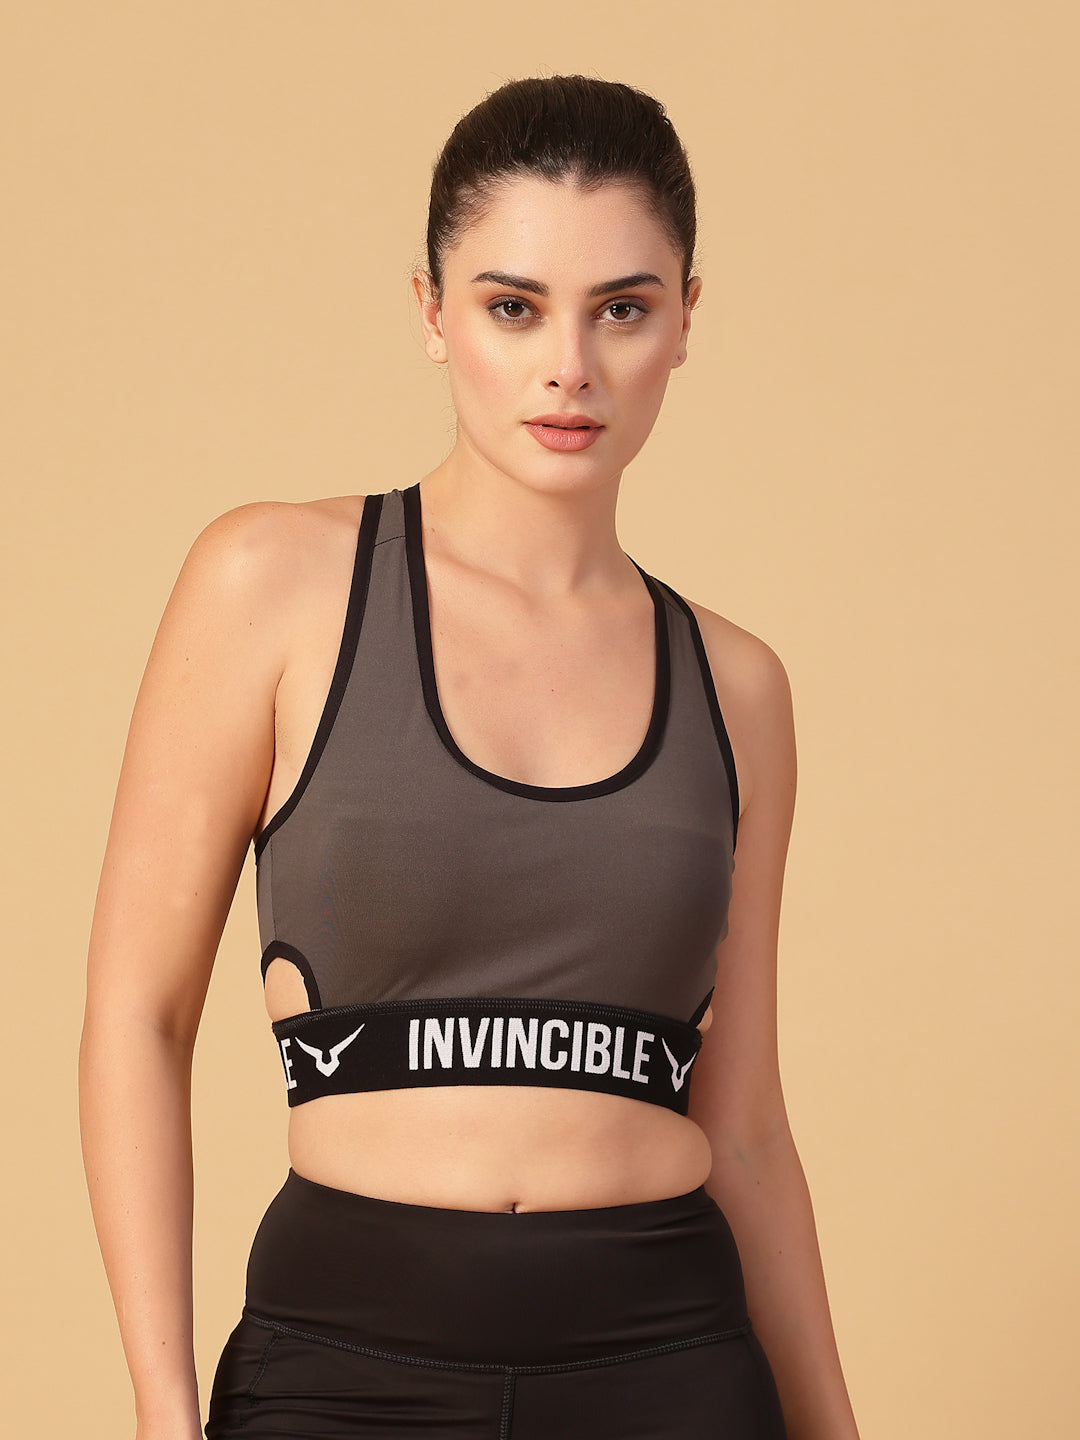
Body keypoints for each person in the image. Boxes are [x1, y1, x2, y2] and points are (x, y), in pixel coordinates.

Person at [79, 74, 861, 1440]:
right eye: (514, 307)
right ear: (433, 314)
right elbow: (138, 1020)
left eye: (622, 308)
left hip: (670, 1368)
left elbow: (743, 1129)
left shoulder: (739, 689)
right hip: (342, 1371)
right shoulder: (274, 585)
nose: (570, 366)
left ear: (684, 320)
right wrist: (160, 1408)